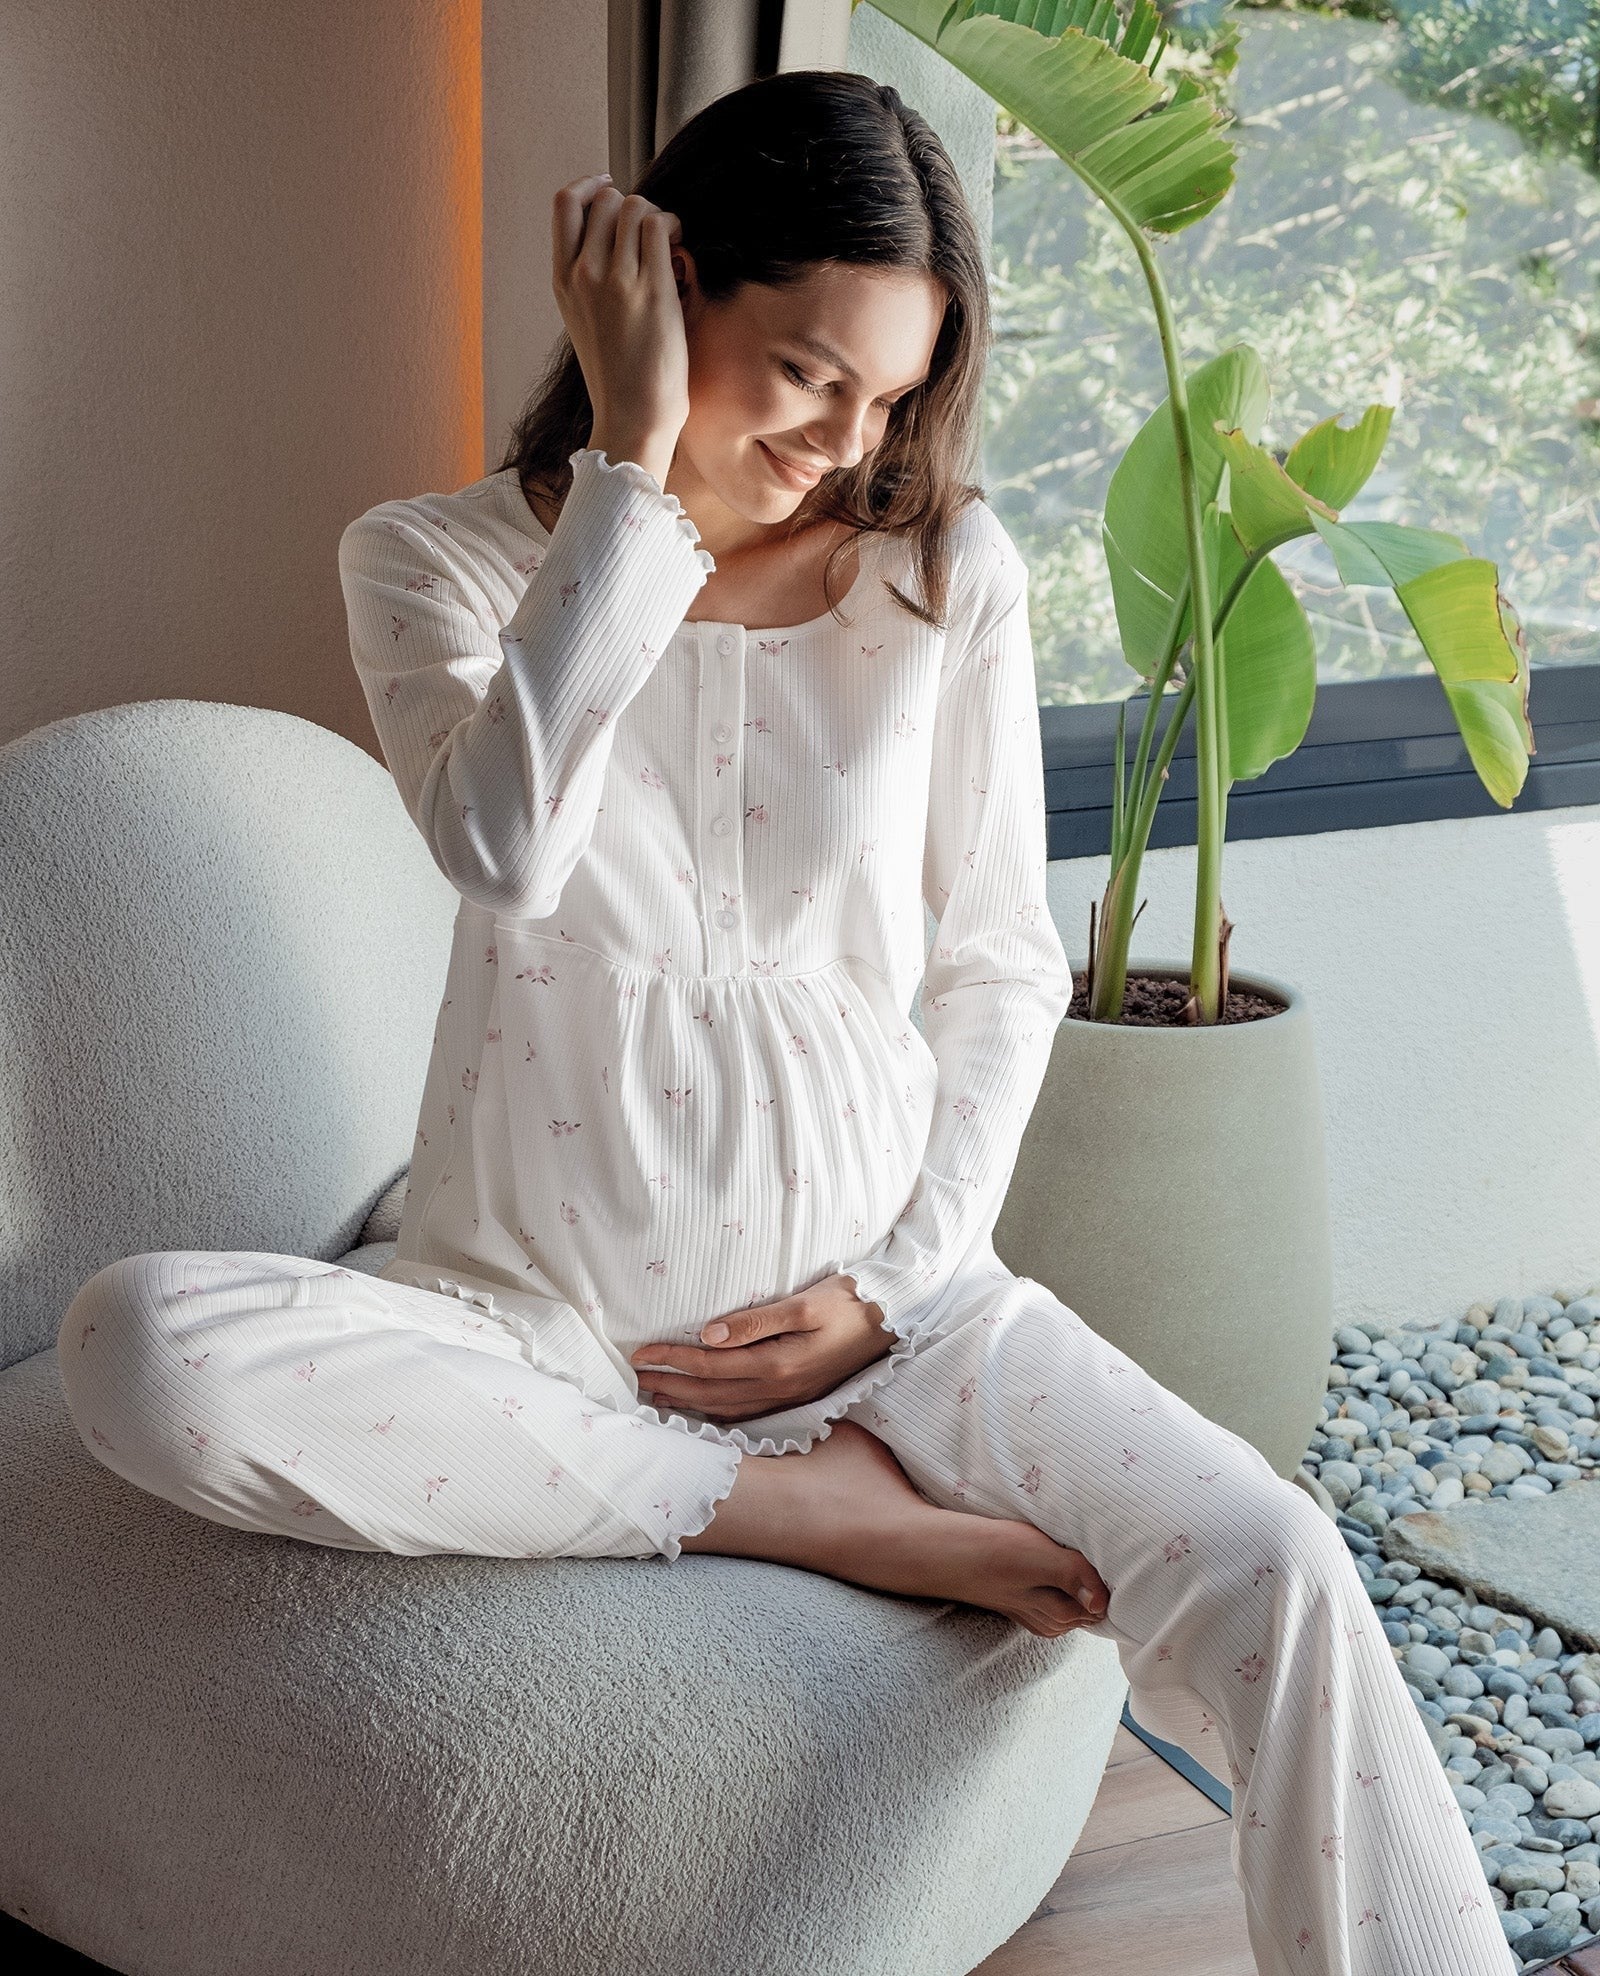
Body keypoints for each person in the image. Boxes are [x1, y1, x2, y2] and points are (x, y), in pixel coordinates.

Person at [58, 70, 1517, 1976]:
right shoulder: (434, 563)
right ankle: (799, 1518)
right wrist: (641, 472)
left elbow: (995, 965)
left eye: (894, 397)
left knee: (1286, 1566)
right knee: (141, 1350)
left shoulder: (938, 575)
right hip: (537, 1317)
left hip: (899, 1315)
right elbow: (504, 846)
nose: (848, 443)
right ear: (663, 296)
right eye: (811, 374)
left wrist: (900, 1290)